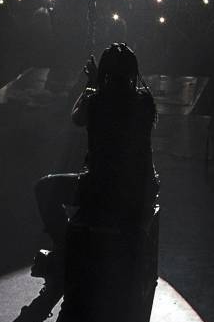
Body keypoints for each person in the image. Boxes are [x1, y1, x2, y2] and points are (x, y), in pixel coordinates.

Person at [34, 43, 159, 262]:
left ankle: (65, 251)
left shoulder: (96, 102)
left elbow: (75, 117)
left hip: (102, 190)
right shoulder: (145, 101)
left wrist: (91, 84)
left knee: (44, 188)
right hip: (141, 189)